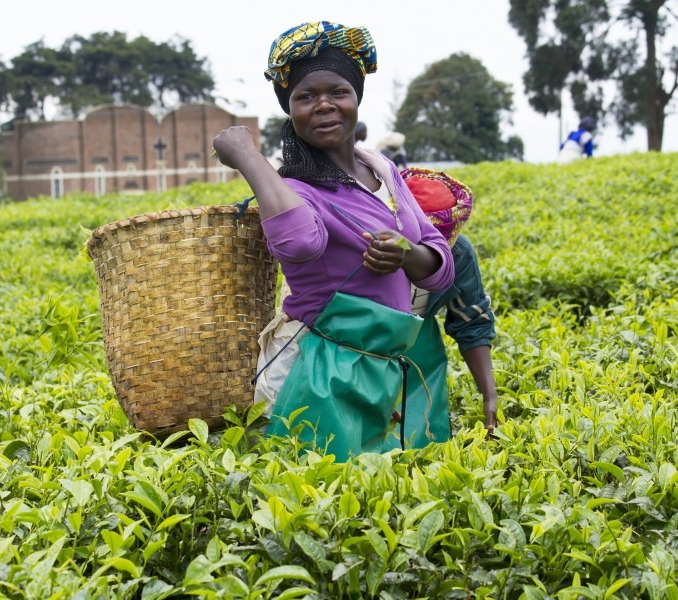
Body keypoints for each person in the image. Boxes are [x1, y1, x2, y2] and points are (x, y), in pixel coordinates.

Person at [212, 21, 455, 461]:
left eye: (337, 92)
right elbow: (301, 244)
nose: (324, 105)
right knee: (311, 503)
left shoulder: (381, 169)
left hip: (376, 367)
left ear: (356, 98)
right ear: (290, 110)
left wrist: (405, 254)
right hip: (313, 368)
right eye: (305, 97)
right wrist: (250, 157)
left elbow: (440, 267)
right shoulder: (295, 190)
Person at [383, 167, 498, 448]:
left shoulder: (459, 254)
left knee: (420, 442)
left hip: (420, 347)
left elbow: (471, 321)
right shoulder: (375, 247)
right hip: (363, 343)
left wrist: (489, 395)